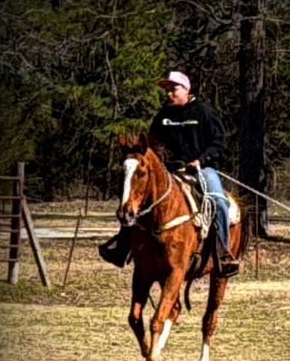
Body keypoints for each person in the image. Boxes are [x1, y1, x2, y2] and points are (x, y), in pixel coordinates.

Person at [99, 70, 238, 277]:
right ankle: (123, 245)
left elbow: (218, 142)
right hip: (169, 172)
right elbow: (151, 145)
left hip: (201, 169)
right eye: (167, 90)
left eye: (173, 88)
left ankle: (222, 253)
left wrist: (200, 160)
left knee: (219, 201)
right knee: (136, 203)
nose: (169, 93)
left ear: (186, 89)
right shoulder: (163, 116)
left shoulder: (204, 112)